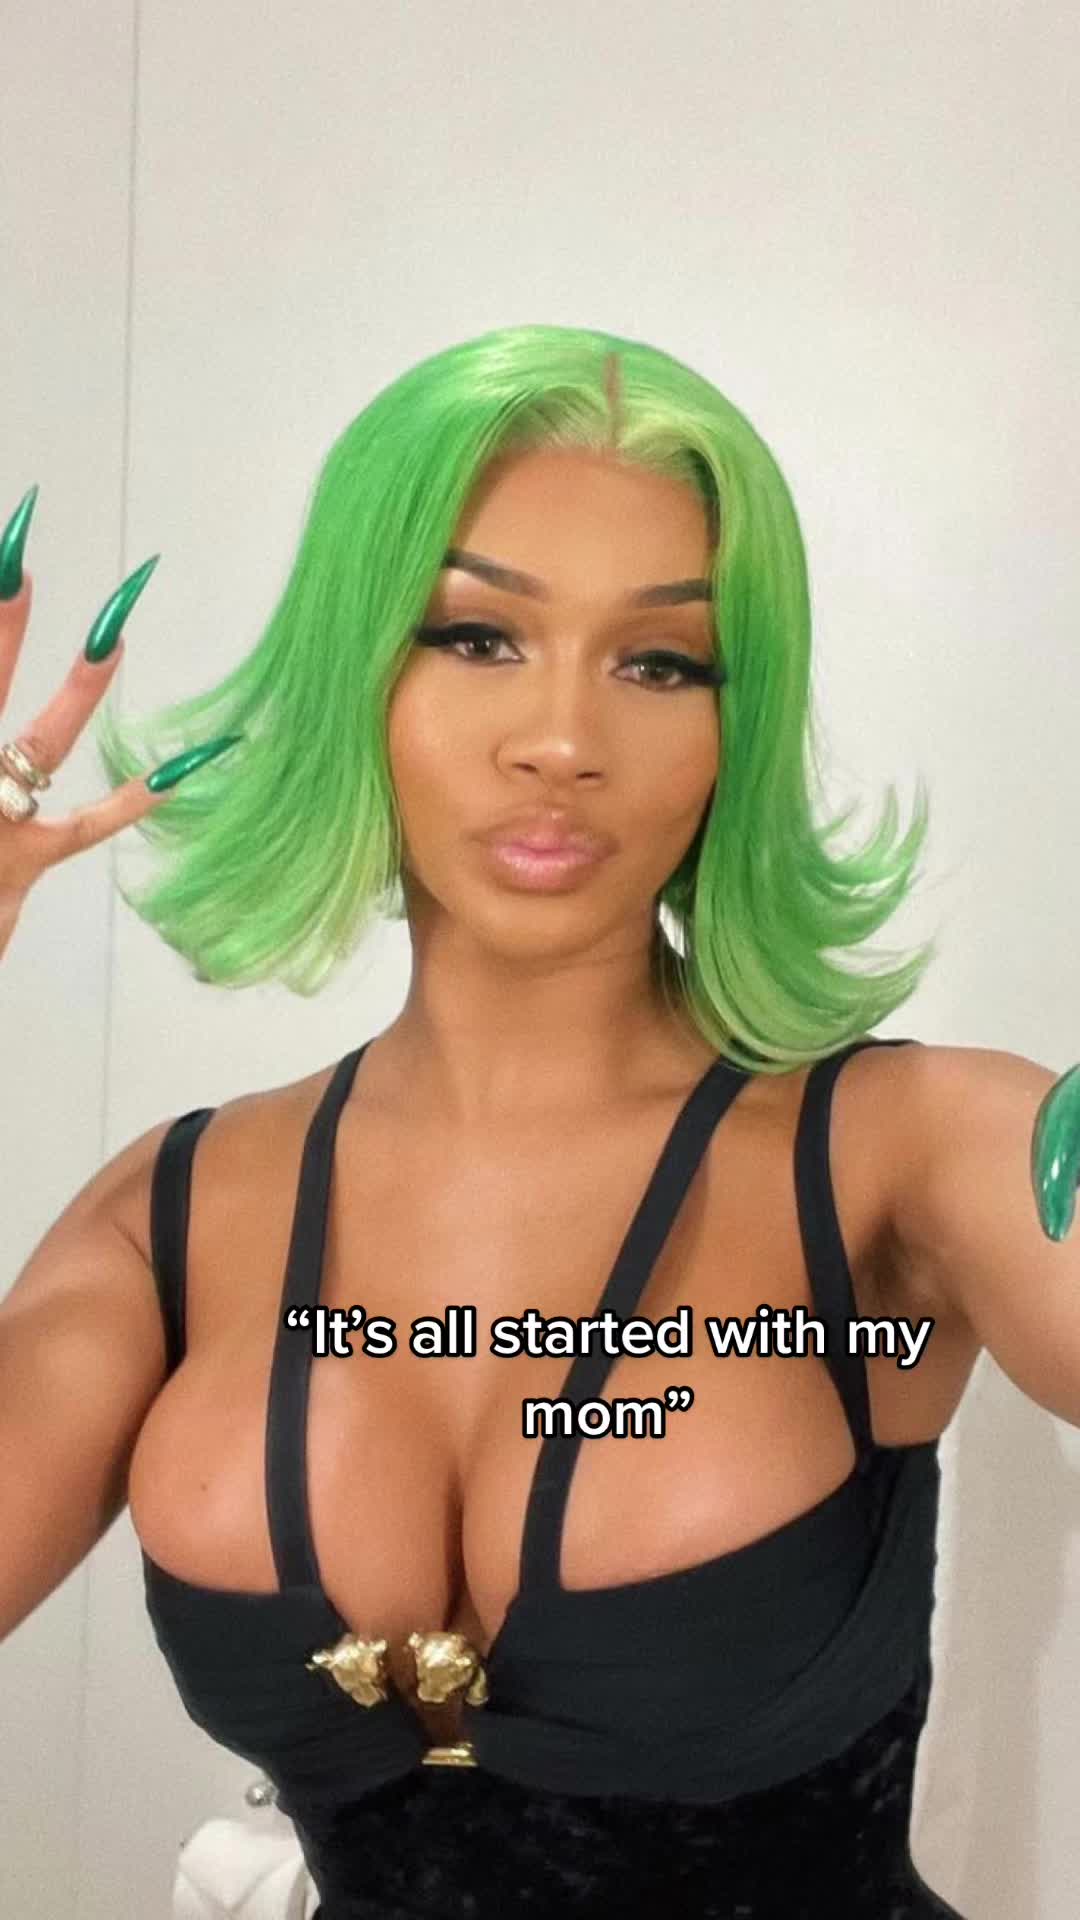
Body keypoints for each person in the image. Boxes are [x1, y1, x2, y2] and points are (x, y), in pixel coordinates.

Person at [4, 322, 1071, 1918]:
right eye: (479, 636)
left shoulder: (919, 1153)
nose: (564, 742)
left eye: (661, 662)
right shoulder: (168, 1212)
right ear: (357, 668)